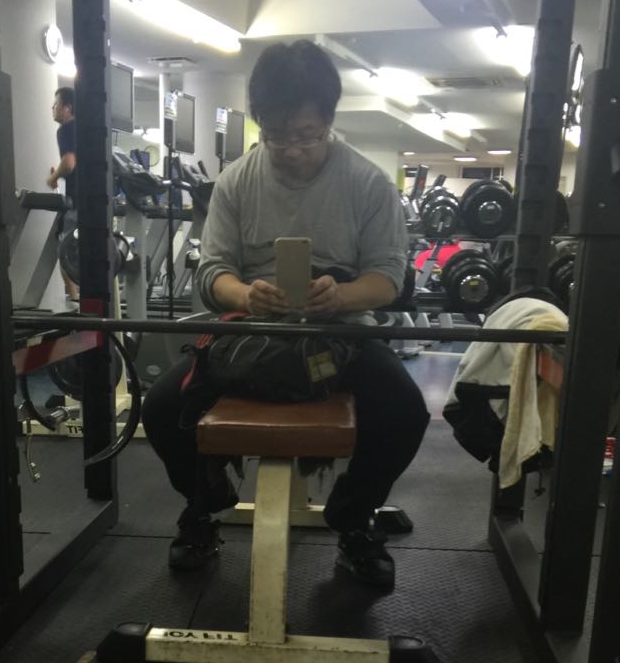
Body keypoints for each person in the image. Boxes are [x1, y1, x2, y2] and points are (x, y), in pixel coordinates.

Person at [141, 40, 430, 589]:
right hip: (252, 335)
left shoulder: (368, 183)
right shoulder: (236, 182)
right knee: (160, 407)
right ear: (260, 124)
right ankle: (203, 506)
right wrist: (245, 295)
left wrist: (340, 297)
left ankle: (352, 519)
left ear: (329, 121)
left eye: (306, 135)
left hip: (341, 335)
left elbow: (389, 278)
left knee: (404, 412)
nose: (291, 149)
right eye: (276, 135)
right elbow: (213, 272)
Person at [48, 85, 79, 305]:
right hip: (92, 201)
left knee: (64, 249)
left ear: (67, 108)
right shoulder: (83, 129)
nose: (53, 107)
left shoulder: (66, 129)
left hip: (76, 203)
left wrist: (53, 177)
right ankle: (80, 296)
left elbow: (69, 163)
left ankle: (75, 298)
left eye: (56, 104)